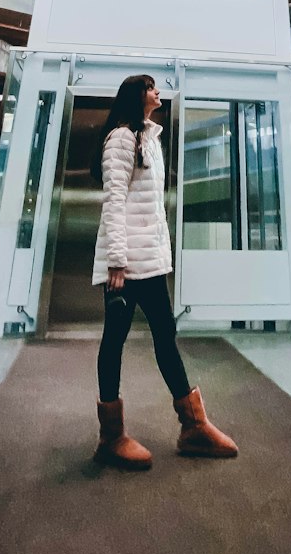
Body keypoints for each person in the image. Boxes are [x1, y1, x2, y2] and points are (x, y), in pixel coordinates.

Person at [92, 72, 238, 470]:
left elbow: (151, 210)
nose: (158, 92)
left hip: (150, 263)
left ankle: (194, 426)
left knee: (165, 336)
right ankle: (111, 436)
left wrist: (159, 255)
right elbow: (114, 201)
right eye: (151, 86)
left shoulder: (148, 139)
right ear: (137, 95)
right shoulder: (122, 137)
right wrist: (116, 261)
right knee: (114, 341)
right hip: (126, 267)